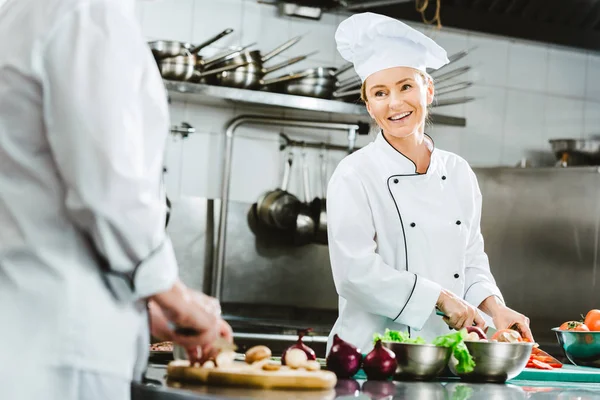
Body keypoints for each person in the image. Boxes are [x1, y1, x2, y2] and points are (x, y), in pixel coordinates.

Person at [0, 0, 231, 399]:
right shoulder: (88, 11)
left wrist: (145, 302)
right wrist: (171, 296)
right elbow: (108, 189)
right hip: (59, 344)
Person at [326, 12, 533, 353]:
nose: (394, 103)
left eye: (406, 86)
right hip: (370, 357)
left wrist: (495, 307)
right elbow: (354, 274)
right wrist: (439, 298)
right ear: (368, 105)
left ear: (429, 90)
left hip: (445, 354)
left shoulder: (459, 172)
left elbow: (470, 260)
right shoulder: (355, 174)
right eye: (380, 93)